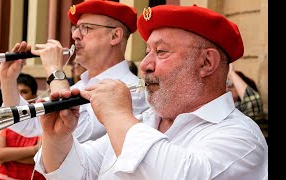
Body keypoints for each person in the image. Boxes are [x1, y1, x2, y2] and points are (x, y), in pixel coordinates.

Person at [33, 4, 268, 180]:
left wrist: (118, 115)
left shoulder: (242, 137)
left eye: (161, 51)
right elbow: (80, 172)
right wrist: (58, 138)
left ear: (206, 63)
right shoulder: (145, 122)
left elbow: (182, 174)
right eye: (147, 51)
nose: (145, 64)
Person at [0, 0, 149, 144]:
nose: (75, 35)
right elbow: (30, 125)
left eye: (86, 28)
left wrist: (55, 71)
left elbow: (76, 131)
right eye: (75, 28)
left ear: (115, 36)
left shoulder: (132, 89)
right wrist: (8, 79)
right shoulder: (79, 86)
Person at [0, 73, 45, 180]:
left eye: (24, 92)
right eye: (16, 92)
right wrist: (35, 149)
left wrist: (9, 156)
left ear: (34, 97)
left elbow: (44, 159)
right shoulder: (2, 118)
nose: (19, 97)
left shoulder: (42, 119)